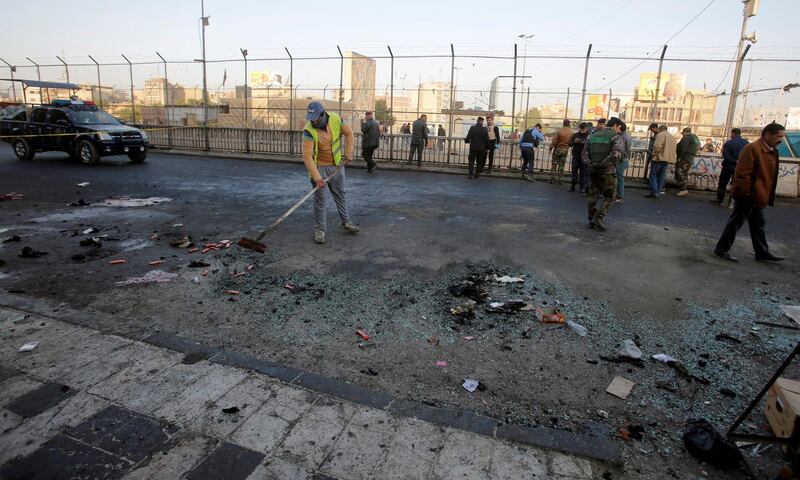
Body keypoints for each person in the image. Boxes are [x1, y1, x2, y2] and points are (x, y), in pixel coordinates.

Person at [713, 123, 785, 263]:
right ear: (767, 135)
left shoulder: (770, 149)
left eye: (782, 136)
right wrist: (746, 193)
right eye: (778, 136)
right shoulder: (752, 148)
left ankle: (762, 252)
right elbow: (742, 173)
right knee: (736, 222)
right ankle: (721, 249)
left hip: (757, 194)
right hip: (749, 194)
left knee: (758, 223)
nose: (781, 139)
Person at [301, 101, 359, 244]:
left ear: (323, 114)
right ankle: (320, 230)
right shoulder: (308, 130)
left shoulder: (335, 119)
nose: (313, 122)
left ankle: (346, 222)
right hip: (319, 168)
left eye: (316, 118)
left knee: (340, 194)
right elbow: (307, 157)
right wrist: (317, 177)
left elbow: (349, 133)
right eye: (311, 119)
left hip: (337, 166)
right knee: (320, 200)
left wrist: (349, 153)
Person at [582, 117, 624, 231]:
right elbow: (616, 154)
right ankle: (598, 218)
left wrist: (591, 164)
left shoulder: (592, 136)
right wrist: (603, 163)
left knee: (593, 195)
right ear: (615, 126)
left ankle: (591, 217)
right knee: (609, 197)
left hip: (594, 171)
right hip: (608, 172)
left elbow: (584, 154)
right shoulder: (615, 137)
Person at [714, 128, 749, 204]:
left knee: (723, 182)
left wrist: (733, 160)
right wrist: (739, 161)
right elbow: (748, 156)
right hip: (740, 167)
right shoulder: (746, 143)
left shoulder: (729, 143)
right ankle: (733, 201)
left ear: (733, 133)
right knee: (736, 184)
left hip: (728, 165)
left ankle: (719, 199)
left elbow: (725, 155)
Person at [645, 125, 676, 199]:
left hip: (659, 158)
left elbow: (657, 146)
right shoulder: (672, 137)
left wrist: (653, 155)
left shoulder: (660, 135)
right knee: (661, 176)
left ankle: (654, 192)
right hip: (667, 159)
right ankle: (657, 192)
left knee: (653, 175)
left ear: (660, 129)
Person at [675, 127, 700, 196]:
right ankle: (683, 188)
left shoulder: (687, 138)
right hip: (690, 157)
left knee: (679, 172)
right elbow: (698, 147)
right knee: (684, 173)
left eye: (683, 133)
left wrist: (679, 157)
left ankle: (683, 189)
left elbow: (681, 147)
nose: (682, 135)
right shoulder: (695, 138)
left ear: (685, 132)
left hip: (684, 157)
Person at [549, 119, 573, 185]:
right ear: (569, 124)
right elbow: (571, 142)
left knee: (554, 164)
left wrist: (551, 147)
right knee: (562, 165)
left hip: (557, 149)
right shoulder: (571, 132)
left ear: (563, 123)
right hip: (565, 150)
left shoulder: (559, 131)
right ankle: (560, 179)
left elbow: (554, 140)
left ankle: (552, 179)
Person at [569, 122, 589, 194]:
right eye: (581, 129)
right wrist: (575, 141)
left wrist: (583, 143)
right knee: (574, 171)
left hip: (584, 157)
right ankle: (572, 186)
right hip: (576, 155)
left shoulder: (589, 136)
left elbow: (590, 146)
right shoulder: (575, 135)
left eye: (583, 130)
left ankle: (582, 188)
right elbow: (569, 144)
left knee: (582, 173)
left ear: (586, 129)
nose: (582, 131)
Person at [614, 122, 632, 203]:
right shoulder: (626, 136)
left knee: (619, 178)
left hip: (621, 159)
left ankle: (620, 196)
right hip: (624, 159)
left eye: (617, 127)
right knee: (619, 177)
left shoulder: (622, 137)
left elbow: (622, 150)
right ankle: (619, 195)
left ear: (619, 127)